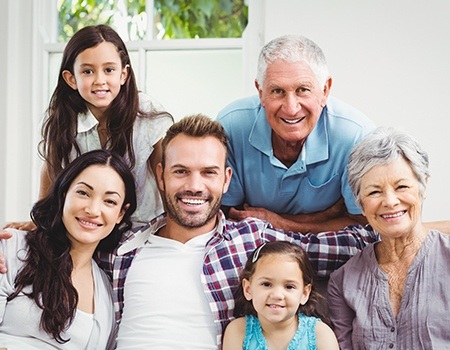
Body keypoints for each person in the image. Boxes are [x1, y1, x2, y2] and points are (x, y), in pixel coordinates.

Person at [94, 114, 378, 349]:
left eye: (209, 172)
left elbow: (362, 242)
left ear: (226, 179)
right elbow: (60, 241)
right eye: (181, 171)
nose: (195, 185)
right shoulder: (122, 246)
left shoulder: (253, 240)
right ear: (160, 176)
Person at [3, 24, 172, 233]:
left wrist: (172, 225)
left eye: (109, 70)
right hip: (89, 229)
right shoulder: (63, 118)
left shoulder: (145, 112)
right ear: (71, 79)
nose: (100, 80)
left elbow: (164, 173)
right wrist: (41, 221)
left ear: (123, 74)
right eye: (88, 71)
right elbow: (51, 167)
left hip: (143, 227)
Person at [217, 34, 375, 233]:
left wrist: (276, 222)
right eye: (277, 91)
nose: (291, 108)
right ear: (260, 92)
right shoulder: (231, 126)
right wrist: (326, 215)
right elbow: (227, 216)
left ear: (325, 90)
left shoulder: (356, 136)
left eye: (303, 90)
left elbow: (364, 225)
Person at [0, 150, 136, 349]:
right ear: (64, 194)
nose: (92, 210)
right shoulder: (13, 247)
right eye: (83, 193)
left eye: (109, 201)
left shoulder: (107, 293)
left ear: (120, 214)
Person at [327, 127, 450, 349]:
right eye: (374, 192)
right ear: (360, 203)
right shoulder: (343, 281)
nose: (390, 201)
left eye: (401, 186)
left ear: (423, 188)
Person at [222, 241, 339, 350]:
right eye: (266, 284)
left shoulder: (321, 334)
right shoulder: (237, 331)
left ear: (304, 293)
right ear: (248, 289)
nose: (277, 295)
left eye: (289, 287)